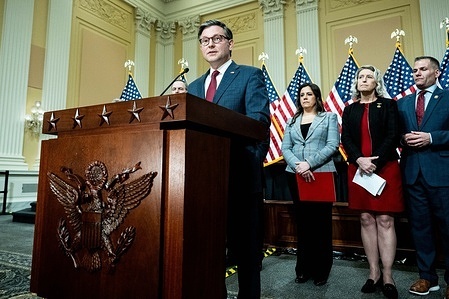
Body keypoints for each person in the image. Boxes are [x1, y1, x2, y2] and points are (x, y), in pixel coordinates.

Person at [188, 19, 270, 299]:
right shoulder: (193, 86)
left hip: (241, 178)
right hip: (202, 183)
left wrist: (251, 162)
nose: (210, 44)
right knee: (209, 251)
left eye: (217, 38)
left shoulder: (249, 75)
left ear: (230, 43)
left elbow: (259, 124)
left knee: (247, 254)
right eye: (204, 40)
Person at [341, 65, 404, 299]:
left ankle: (388, 275)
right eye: (360, 77)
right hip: (358, 169)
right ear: (356, 82)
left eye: (369, 77)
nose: (364, 80)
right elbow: (345, 137)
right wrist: (359, 159)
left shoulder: (388, 105)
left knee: (386, 219)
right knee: (366, 218)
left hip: (384, 167)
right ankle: (373, 272)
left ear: (376, 82)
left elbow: (393, 134)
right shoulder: (350, 109)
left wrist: (373, 161)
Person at [397, 56, 449, 299]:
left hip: (442, 174)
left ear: (436, 72)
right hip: (412, 174)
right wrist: (401, 139)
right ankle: (427, 277)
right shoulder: (404, 102)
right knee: (420, 228)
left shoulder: (447, 97)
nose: (417, 73)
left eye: (423, 69)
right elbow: (396, 133)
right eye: (415, 70)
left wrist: (432, 138)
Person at [281, 83, 339, 286]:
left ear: (317, 97)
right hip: (295, 174)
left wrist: (309, 164)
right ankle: (303, 269)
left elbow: (333, 145)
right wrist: (298, 166)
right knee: (303, 224)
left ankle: (321, 270)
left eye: (309, 94)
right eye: (302, 95)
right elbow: (285, 148)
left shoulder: (329, 117)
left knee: (321, 224)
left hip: (320, 174)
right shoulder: (291, 120)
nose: (305, 97)